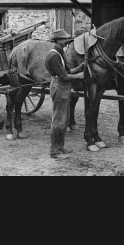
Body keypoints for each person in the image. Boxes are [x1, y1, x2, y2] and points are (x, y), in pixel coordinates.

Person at [46, 29, 85, 158]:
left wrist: (79, 67)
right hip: (59, 87)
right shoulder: (53, 56)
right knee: (58, 120)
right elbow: (63, 76)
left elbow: (67, 70)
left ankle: (60, 146)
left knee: (64, 119)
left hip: (64, 88)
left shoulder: (60, 52)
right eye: (64, 39)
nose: (67, 41)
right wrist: (80, 75)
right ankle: (54, 151)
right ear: (57, 40)